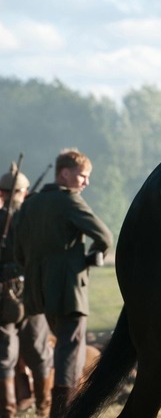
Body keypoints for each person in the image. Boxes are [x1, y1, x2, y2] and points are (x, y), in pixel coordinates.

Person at [14, 149, 113, 416]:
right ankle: (62, 412)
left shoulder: (29, 205)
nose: (86, 182)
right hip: (70, 293)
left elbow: (16, 250)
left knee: (63, 350)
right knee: (70, 353)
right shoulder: (70, 202)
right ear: (65, 173)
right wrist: (91, 258)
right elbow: (104, 236)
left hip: (40, 295)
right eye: (82, 176)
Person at [0, 162, 55, 418]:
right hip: (31, 295)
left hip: (3, 298)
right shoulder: (35, 218)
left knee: (4, 357)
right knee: (39, 353)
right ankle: (44, 410)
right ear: (23, 192)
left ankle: (7, 411)